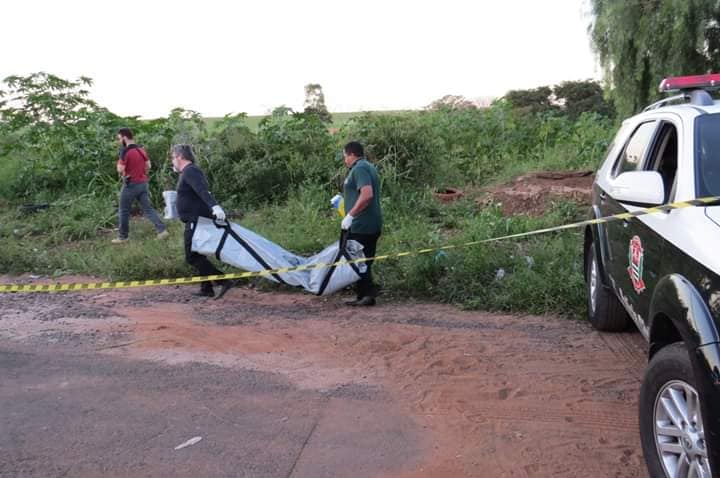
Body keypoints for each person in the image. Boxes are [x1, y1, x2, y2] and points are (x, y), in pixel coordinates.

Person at [171, 144, 236, 299]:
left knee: (192, 256)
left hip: (195, 220)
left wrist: (215, 207)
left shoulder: (191, 171)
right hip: (193, 219)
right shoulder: (187, 172)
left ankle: (223, 280)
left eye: (173, 157)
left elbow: (202, 191)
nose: (172, 161)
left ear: (180, 156)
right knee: (198, 254)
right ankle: (206, 288)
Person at [340, 141, 383, 306]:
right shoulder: (368, 167)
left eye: (345, 157)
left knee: (358, 258)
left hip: (362, 224)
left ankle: (366, 295)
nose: (345, 160)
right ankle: (364, 295)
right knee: (363, 260)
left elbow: (367, 195)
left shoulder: (359, 169)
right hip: (369, 223)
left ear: (351, 154)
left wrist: (350, 215)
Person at [112, 128, 168, 243]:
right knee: (148, 208)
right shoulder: (141, 149)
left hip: (130, 185)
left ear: (124, 137)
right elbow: (149, 166)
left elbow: (120, 169)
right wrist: (140, 173)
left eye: (119, 138)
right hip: (143, 183)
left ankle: (123, 237)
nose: (119, 141)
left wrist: (120, 162)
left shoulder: (125, 151)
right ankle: (162, 231)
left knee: (123, 210)